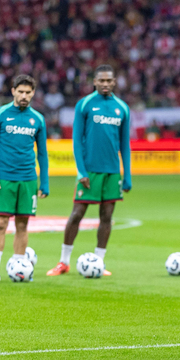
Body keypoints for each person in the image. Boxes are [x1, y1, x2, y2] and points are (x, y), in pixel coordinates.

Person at [46, 65, 131, 277]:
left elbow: (124, 144)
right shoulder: (84, 105)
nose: (105, 84)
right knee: (77, 214)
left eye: (108, 81)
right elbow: (76, 140)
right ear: (94, 82)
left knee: (107, 216)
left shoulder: (122, 108)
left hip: (112, 172)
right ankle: (63, 262)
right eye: (101, 81)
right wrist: (81, 171)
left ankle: (99, 262)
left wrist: (127, 174)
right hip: (90, 171)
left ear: (114, 82)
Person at [0, 75, 49, 282]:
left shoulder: (38, 119)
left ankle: (19, 268)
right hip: (4, 179)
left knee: (23, 225)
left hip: (28, 179)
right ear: (13, 91)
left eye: (28, 92)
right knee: (1, 223)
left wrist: (44, 182)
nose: (24, 96)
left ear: (33, 93)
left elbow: (42, 154)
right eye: (20, 91)